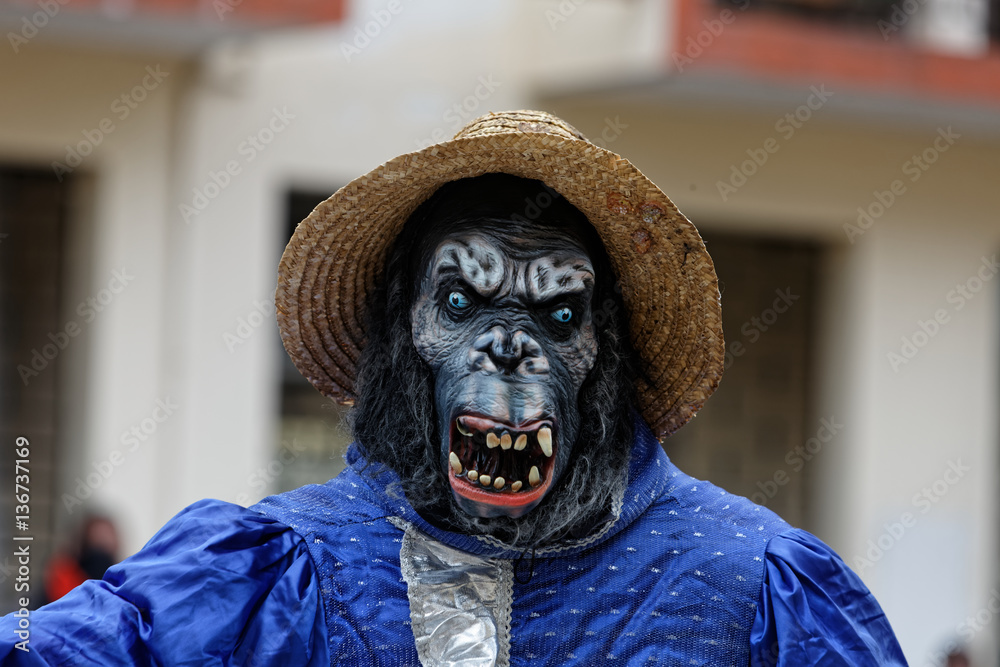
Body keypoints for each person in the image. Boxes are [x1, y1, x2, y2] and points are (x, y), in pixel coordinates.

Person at [0, 110, 907, 665]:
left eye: (557, 315)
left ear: (607, 355)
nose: (509, 345)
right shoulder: (287, 569)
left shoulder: (754, 582)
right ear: (406, 337)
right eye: (464, 300)